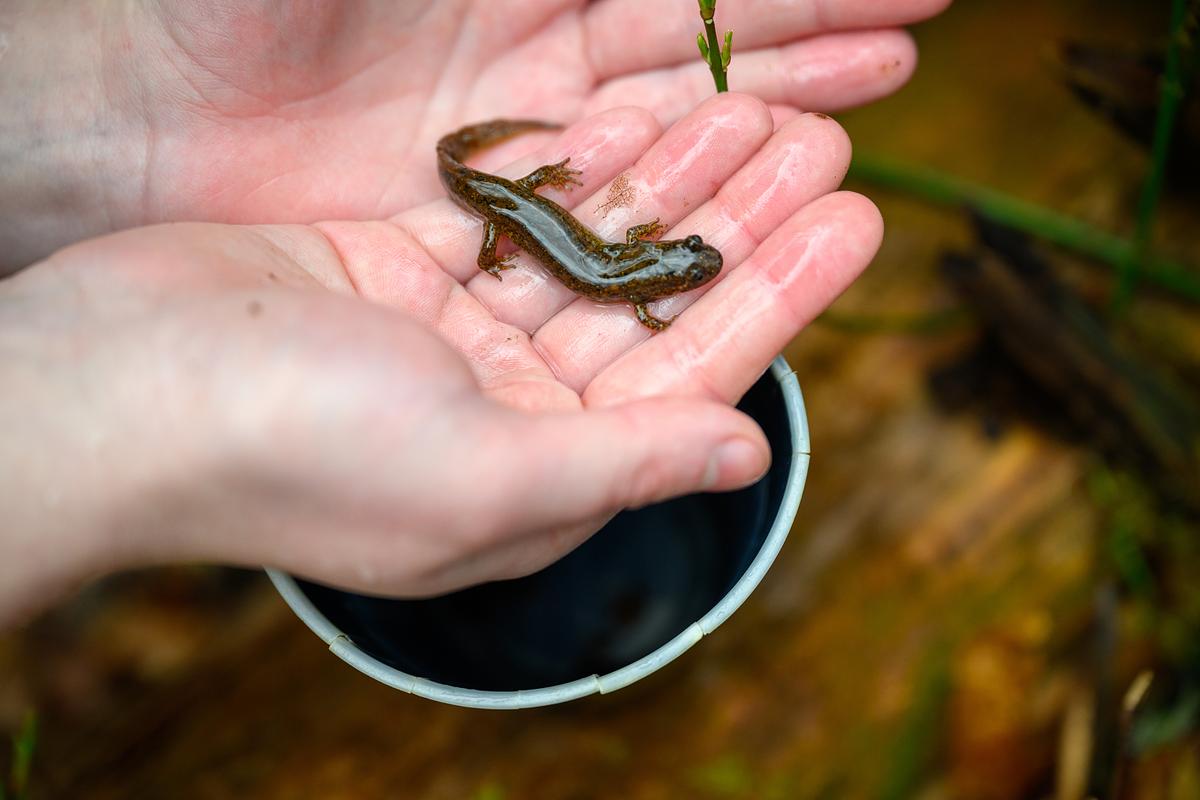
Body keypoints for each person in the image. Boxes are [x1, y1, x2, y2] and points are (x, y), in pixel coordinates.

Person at [0, 0, 951, 626]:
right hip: (504, 203)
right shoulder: (626, 278)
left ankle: (517, 186)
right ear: (658, 268)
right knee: (503, 199)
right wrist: (513, 233)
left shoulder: (629, 274)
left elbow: (625, 274)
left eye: (684, 265)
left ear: (653, 267)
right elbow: (614, 273)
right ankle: (504, 184)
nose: (691, 265)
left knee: (528, 208)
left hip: (524, 206)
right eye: (684, 263)